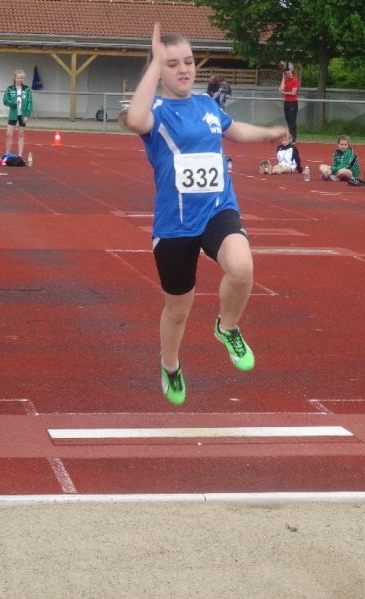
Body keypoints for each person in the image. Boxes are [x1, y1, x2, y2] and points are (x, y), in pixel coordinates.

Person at [122, 23, 286, 405]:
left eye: (189, 61)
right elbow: (134, 119)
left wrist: (266, 133)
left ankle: (227, 327)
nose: (184, 69)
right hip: (175, 224)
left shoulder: (207, 105)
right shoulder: (156, 113)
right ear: (158, 71)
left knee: (242, 268)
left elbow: (233, 129)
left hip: (217, 209)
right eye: (172, 64)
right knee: (178, 310)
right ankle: (170, 365)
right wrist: (154, 61)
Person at [2, 69, 33, 157]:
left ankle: (20, 155)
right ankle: (7, 154)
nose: (20, 80)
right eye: (19, 78)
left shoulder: (27, 89)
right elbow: (5, 101)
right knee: (8, 135)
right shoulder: (9, 89)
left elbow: (30, 103)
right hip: (13, 114)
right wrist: (13, 103)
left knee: (21, 134)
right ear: (15, 78)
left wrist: (27, 115)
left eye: (22, 78)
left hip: (23, 115)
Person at [279, 64, 299, 141]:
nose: (290, 74)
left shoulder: (295, 80)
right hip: (286, 102)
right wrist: (283, 78)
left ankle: (293, 138)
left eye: (290, 73)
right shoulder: (286, 80)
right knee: (288, 120)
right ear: (285, 74)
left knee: (292, 121)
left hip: (293, 103)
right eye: (287, 74)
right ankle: (290, 136)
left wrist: (284, 92)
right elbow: (281, 88)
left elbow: (293, 93)